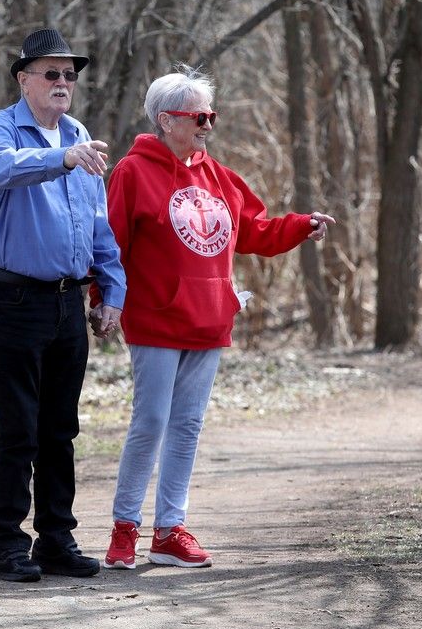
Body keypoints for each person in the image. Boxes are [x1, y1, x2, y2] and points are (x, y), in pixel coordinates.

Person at [91, 66, 334, 569]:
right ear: (166, 119)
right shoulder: (133, 173)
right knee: (151, 421)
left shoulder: (218, 176)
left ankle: (169, 531)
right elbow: (110, 243)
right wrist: (103, 298)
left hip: (209, 318)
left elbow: (255, 229)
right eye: (199, 116)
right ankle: (124, 529)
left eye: (211, 115)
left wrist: (299, 226)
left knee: (187, 425)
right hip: (156, 317)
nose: (207, 124)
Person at [0, 27, 125, 582]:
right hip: (9, 299)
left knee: (61, 428)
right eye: (51, 73)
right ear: (24, 79)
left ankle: (56, 539)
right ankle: (6, 545)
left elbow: (97, 222)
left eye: (70, 75)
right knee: (20, 430)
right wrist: (62, 158)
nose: (63, 83)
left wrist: (111, 290)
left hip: (67, 303)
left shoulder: (79, 134)